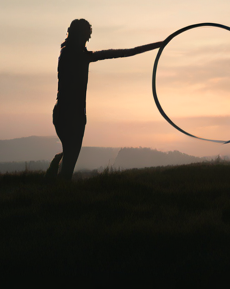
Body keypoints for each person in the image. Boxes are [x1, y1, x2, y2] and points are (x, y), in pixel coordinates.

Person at [50, 18, 163, 180]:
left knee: (69, 153)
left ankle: (54, 177)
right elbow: (123, 52)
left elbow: (123, 52)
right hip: (72, 115)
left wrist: (157, 45)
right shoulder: (77, 56)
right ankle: (57, 183)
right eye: (86, 35)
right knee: (70, 158)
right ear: (78, 35)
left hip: (63, 113)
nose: (88, 39)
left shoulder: (67, 53)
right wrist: (157, 45)